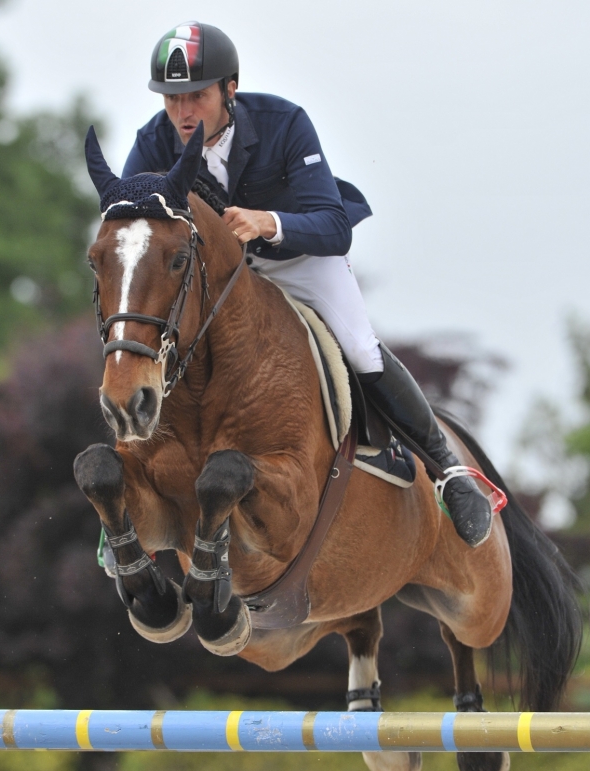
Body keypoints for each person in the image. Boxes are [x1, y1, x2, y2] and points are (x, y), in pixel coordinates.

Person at [123, 21, 492, 548]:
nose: (183, 114)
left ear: (230, 88)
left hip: (298, 257)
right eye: (172, 99)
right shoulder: (151, 142)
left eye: (197, 96)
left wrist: (268, 222)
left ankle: (450, 471)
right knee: (149, 346)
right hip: (220, 278)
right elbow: (126, 221)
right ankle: (133, 490)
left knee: (361, 350)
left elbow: (335, 227)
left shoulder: (284, 123)